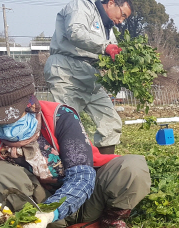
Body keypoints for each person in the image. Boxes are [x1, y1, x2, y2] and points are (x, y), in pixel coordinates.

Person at [0, 57, 151, 228]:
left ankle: (111, 221)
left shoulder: (59, 117)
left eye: (11, 120)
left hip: (88, 203)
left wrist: (50, 213)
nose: (3, 130)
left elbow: (82, 176)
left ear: (31, 105)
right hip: (36, 211)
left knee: (132, 166)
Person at [44, 0, 133, 155]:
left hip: (90, 77)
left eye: (124, 19)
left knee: (110, 122)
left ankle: (104, 170)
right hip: (67, 72)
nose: (120, 21)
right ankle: (68, 172)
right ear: (111, 3)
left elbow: (111, 52)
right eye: (122, 15)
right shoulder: (82, 6)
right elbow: (75, 32)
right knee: (68, 125)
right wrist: (105, 47)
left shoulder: (109, 29)